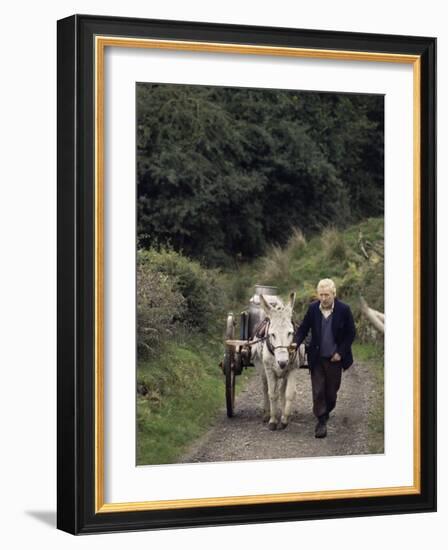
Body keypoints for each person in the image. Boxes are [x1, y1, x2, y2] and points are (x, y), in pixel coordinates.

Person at [295, 279, 356, 438]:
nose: (323, 298)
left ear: (333, 294)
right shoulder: (313, 309)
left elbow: (351, 333)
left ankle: (327, 409)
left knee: (331, 392)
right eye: (321, 295)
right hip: (316, 357)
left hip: (335, 359)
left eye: (326, 295)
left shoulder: (344, 309)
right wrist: (294, 344)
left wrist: (340, 353)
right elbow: (303, 328)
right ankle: (321, 420)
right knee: (318, 390)